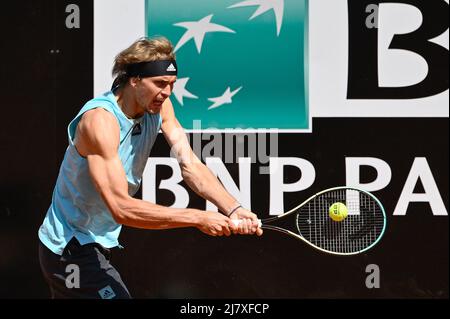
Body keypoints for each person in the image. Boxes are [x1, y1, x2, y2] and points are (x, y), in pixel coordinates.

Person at [38, 37, 262, 299]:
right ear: (134, 80)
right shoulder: (99, 123)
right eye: (159, 83)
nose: (166, 92)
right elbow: (121, 208)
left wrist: (234, 208)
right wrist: (198, 217)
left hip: (96, 242)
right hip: (69, 247)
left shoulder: (160, 106)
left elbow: (190, 164)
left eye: (171, 85)